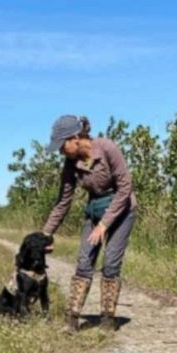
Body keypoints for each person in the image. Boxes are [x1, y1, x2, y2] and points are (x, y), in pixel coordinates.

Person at [41, 115, 137, 331]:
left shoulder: (107, 148)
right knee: (84, 263)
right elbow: (63, 202)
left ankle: (106, 321)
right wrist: (45, 233)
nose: (59, 151)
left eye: (61, 145)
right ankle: (72, 320)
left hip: (122, 210)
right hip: (94, 211)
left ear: (75, 138)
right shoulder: (70, 165)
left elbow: (125, 188)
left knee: (111, 264)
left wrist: (105, 224)